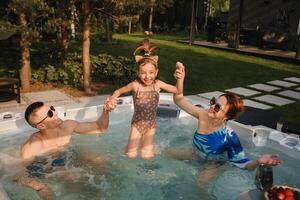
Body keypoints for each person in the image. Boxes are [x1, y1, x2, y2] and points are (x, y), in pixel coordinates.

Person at [171, 64, 281, 186]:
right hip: (195, 153)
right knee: (165, 153)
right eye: (213, 102)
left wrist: (258, 161)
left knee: (200, 184)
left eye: (217, 107)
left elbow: (242, 163)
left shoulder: (229, 137)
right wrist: (180, 81)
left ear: (227, 116)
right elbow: (179, 100)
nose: (212, 107)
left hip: (213, 164)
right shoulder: (203, 115)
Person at [15, 99, 116, 199]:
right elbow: (17, 174)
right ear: (41, 125)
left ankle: (105, 188)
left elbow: (100, 128)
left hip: (69, 155)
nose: (55, 112)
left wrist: (105, 111)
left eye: (52, 108)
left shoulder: (68, 126)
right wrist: (40, 187)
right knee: (71, 175)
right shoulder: (33, 145)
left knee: (97, 158)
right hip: (49, 165)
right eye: (50, 114)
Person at [109, 39, 183, 160]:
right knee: (130, 155)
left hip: (150, 126)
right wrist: (112, 98)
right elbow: (119, 91)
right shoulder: (135, 85)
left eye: (151, 72)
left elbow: (177, 90)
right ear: (138, 73)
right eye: (143, 73)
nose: (147, 76)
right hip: (137, 125)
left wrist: (180, 79)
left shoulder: (157, 85)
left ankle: (151, 148)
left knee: (146, 156)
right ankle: (131, 148)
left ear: (156, 72)